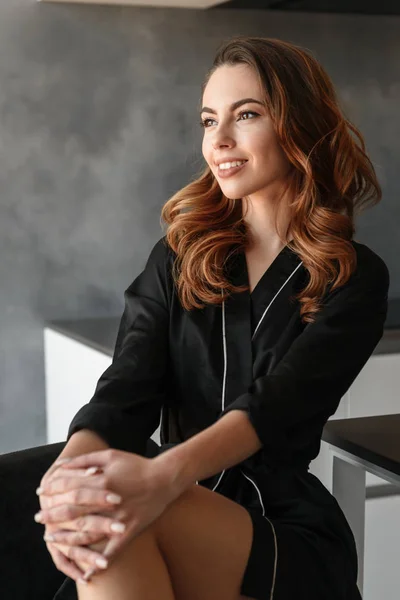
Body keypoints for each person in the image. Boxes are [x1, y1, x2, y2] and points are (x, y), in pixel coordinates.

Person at [35, 36, 389, 600]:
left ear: (298, 126)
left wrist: (156, 480)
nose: (219, 141)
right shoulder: (179, 255)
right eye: (208, 120)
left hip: (276, 525)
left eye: (245, 115)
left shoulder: (353, 276)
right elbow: (127, 387)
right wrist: (65, 480)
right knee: (105, 521)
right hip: (158, 495)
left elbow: (273, 409)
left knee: (119, 521)